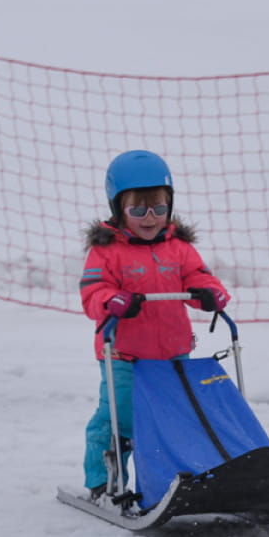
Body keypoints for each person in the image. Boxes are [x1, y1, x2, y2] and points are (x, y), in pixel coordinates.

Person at [79, 149, 230, 499]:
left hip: (173, 356)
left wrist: (210, 294)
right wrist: (112, 299)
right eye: (138, 209)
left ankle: (174, 482)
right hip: (124, 356)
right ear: (119, 209)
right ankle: (105, 483)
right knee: (120, 422)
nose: (150, 218)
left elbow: (199, 278)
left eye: (159, 209)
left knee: (176, 419)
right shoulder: (106, 251)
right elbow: (92, 293)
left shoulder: (179, 248)